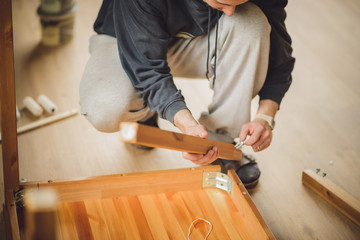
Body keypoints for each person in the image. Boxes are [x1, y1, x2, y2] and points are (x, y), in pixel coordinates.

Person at [79, 0, 295, 188]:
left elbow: (280, 55)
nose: (230, 12)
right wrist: (186, 124)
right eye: (224, 2)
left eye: (238, 2)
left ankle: (220, 140)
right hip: (126, 38)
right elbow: (146, 69)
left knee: (252, 22)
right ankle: (144, 109)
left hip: (192, 41)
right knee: (105, 109)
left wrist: (266, 116)